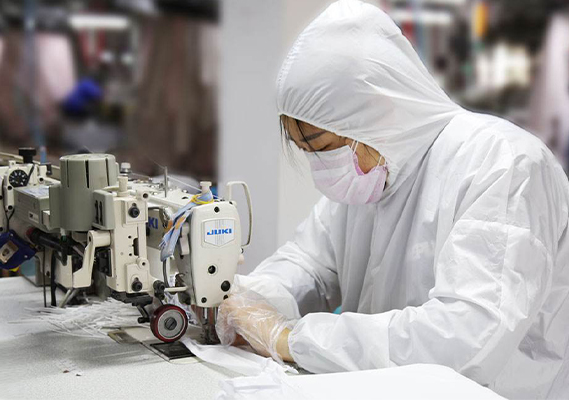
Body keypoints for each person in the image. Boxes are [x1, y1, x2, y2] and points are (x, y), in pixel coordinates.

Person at [216, 1, 569, 399]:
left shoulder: (503, 164)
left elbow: (466, 338)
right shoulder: (370, 178)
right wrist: (249, 300)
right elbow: (309, 264)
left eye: (325, 147)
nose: (321, 167)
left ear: (379, 110)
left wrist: (289, 338)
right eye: (306, 151)